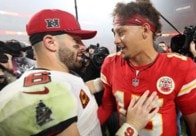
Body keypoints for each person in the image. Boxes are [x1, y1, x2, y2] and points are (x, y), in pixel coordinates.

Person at [0, 9, 159, 136]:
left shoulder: (57, 78)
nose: (83, 46)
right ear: (51, 42)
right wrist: (132, 125)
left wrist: (109, 80)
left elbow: (76, 90)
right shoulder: (49, 96)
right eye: (76, 40)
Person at [98, 0, 196, 135]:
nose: (115, 40)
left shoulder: (179, 66)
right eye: (114, 33)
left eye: (121, 32)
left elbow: (195, 123)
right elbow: (106, 107)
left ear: (145, 30)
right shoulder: (110, 64)